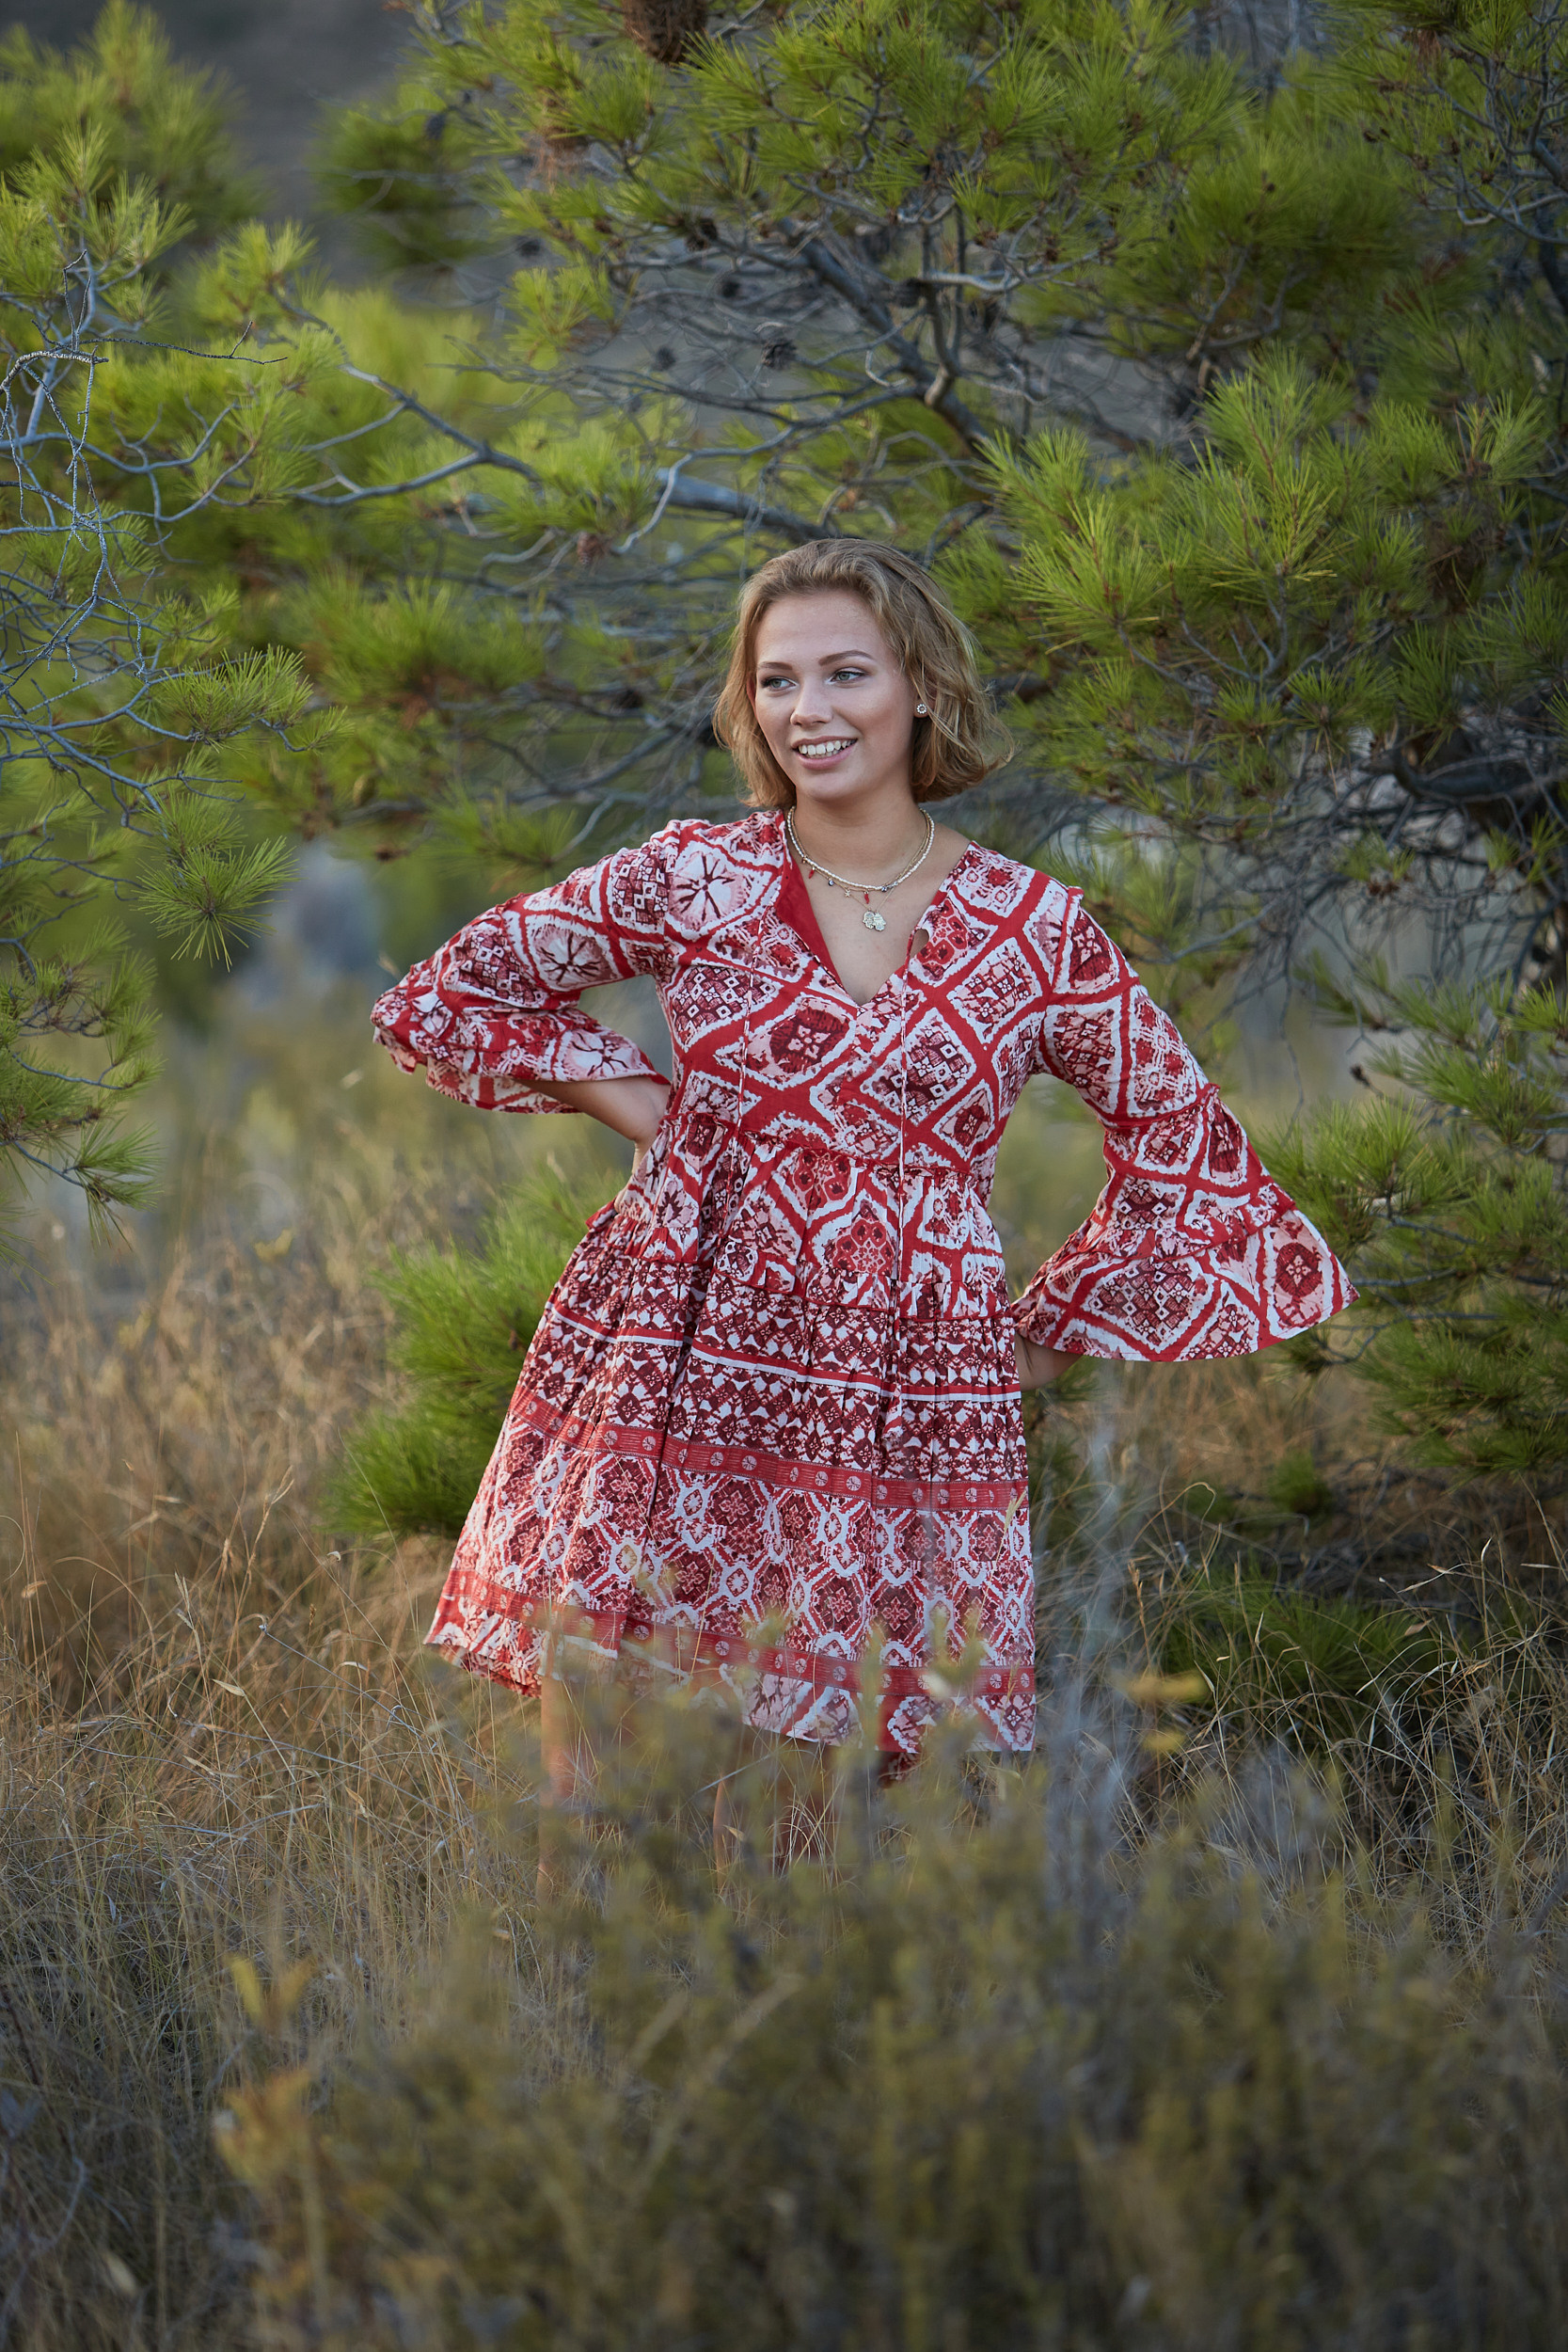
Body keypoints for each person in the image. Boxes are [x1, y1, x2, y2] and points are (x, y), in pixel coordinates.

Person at [372, 540, 1354, 1851]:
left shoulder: (1034, 931)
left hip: (889, 1419)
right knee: (601, 1801)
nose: (807, 711)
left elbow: (1191, 1158)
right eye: (777, 681)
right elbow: (449, 993)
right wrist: (649, 1105)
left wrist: (1032, 1345)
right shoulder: (694, 877)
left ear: (923, 687)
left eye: (846, 673)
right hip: (668, 1365)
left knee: (815, 1830)